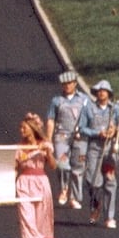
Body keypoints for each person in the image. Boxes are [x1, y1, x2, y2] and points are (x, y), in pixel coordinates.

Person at [78, 80, 119, 229]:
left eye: (104, 90)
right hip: (95, 149)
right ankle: (95, 205)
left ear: (109, 93)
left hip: (110, 150)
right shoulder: (88, 108)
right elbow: (82, 128)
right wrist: (97, 133)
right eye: (99, 90)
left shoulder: (116, 109)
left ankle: (109, 217)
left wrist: (115, 131)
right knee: (93, 182)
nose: (101, 92)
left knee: (110, 182)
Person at [15, 113, 57, 238]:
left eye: (24, 128)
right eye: (20, 128)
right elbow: (14, 167)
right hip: (24, 182)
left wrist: (48, 152)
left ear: (32, 129)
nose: (21, 130)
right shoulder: (19, 147)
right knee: (27, 219)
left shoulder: (44, 144)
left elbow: (53, 166)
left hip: (41, 182)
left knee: (41, 218)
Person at [45, 70, 89, 209]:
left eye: (69, 83)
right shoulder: (57, 100)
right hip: (61, 136)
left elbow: (89, 117)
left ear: (75, 84)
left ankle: (75, 197)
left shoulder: (84, 99)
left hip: (79, 137)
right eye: (64, 84)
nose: (67, 86)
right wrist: (48, 139)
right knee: (62, 164)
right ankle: (64, 189)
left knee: (78, 167)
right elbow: (51, 119)